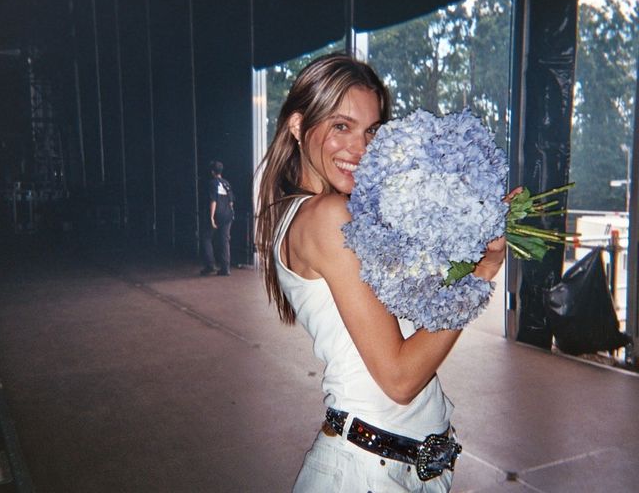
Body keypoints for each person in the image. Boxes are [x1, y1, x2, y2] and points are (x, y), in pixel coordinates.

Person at [255, 53, 510, 492]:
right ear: (297, 126)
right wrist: (482, 272)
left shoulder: (329, 214)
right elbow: (400, 378)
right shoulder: (326, 216)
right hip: (366, 473)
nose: (361, 149)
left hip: (390, 465)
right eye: (341, 126)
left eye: (371, 130)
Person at [201, 160, 234, 276]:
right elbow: (231, 202)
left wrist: (211, 217)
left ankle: (210, 265)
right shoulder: (226, 183)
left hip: (217, 214)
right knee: (225, 240)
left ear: (212, 172)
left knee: (206, 238)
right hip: (227, 215)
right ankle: (226, 268)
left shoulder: (213, 183)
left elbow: (213, 200)